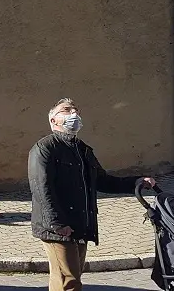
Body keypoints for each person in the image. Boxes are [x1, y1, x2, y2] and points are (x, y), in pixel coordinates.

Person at [28, 98, 156, 291]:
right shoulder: (45, 148)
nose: (74, 114)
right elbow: (41, 188)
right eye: (66, 110)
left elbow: (103, 180)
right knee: (69, 282)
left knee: (68, 278)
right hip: (58, 227)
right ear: (53, 120)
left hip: (79, 223)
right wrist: (57, 224)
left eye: (76, 110)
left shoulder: (82, 149)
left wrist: (136, 182)